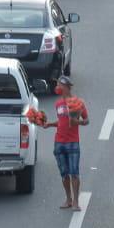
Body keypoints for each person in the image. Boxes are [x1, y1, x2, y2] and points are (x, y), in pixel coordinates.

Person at [41, 76, 88, 210]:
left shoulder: (78, 103)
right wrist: (49, 124)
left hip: (73, 142)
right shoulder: (58, 104)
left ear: (66, 86)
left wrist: (77, 122)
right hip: (59, 143)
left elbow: (86, 120)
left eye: (59, 85)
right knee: (64, 174)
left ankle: (76, 202)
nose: (57, 87)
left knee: (74, 173)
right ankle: (68, 199)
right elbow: (61, 122)